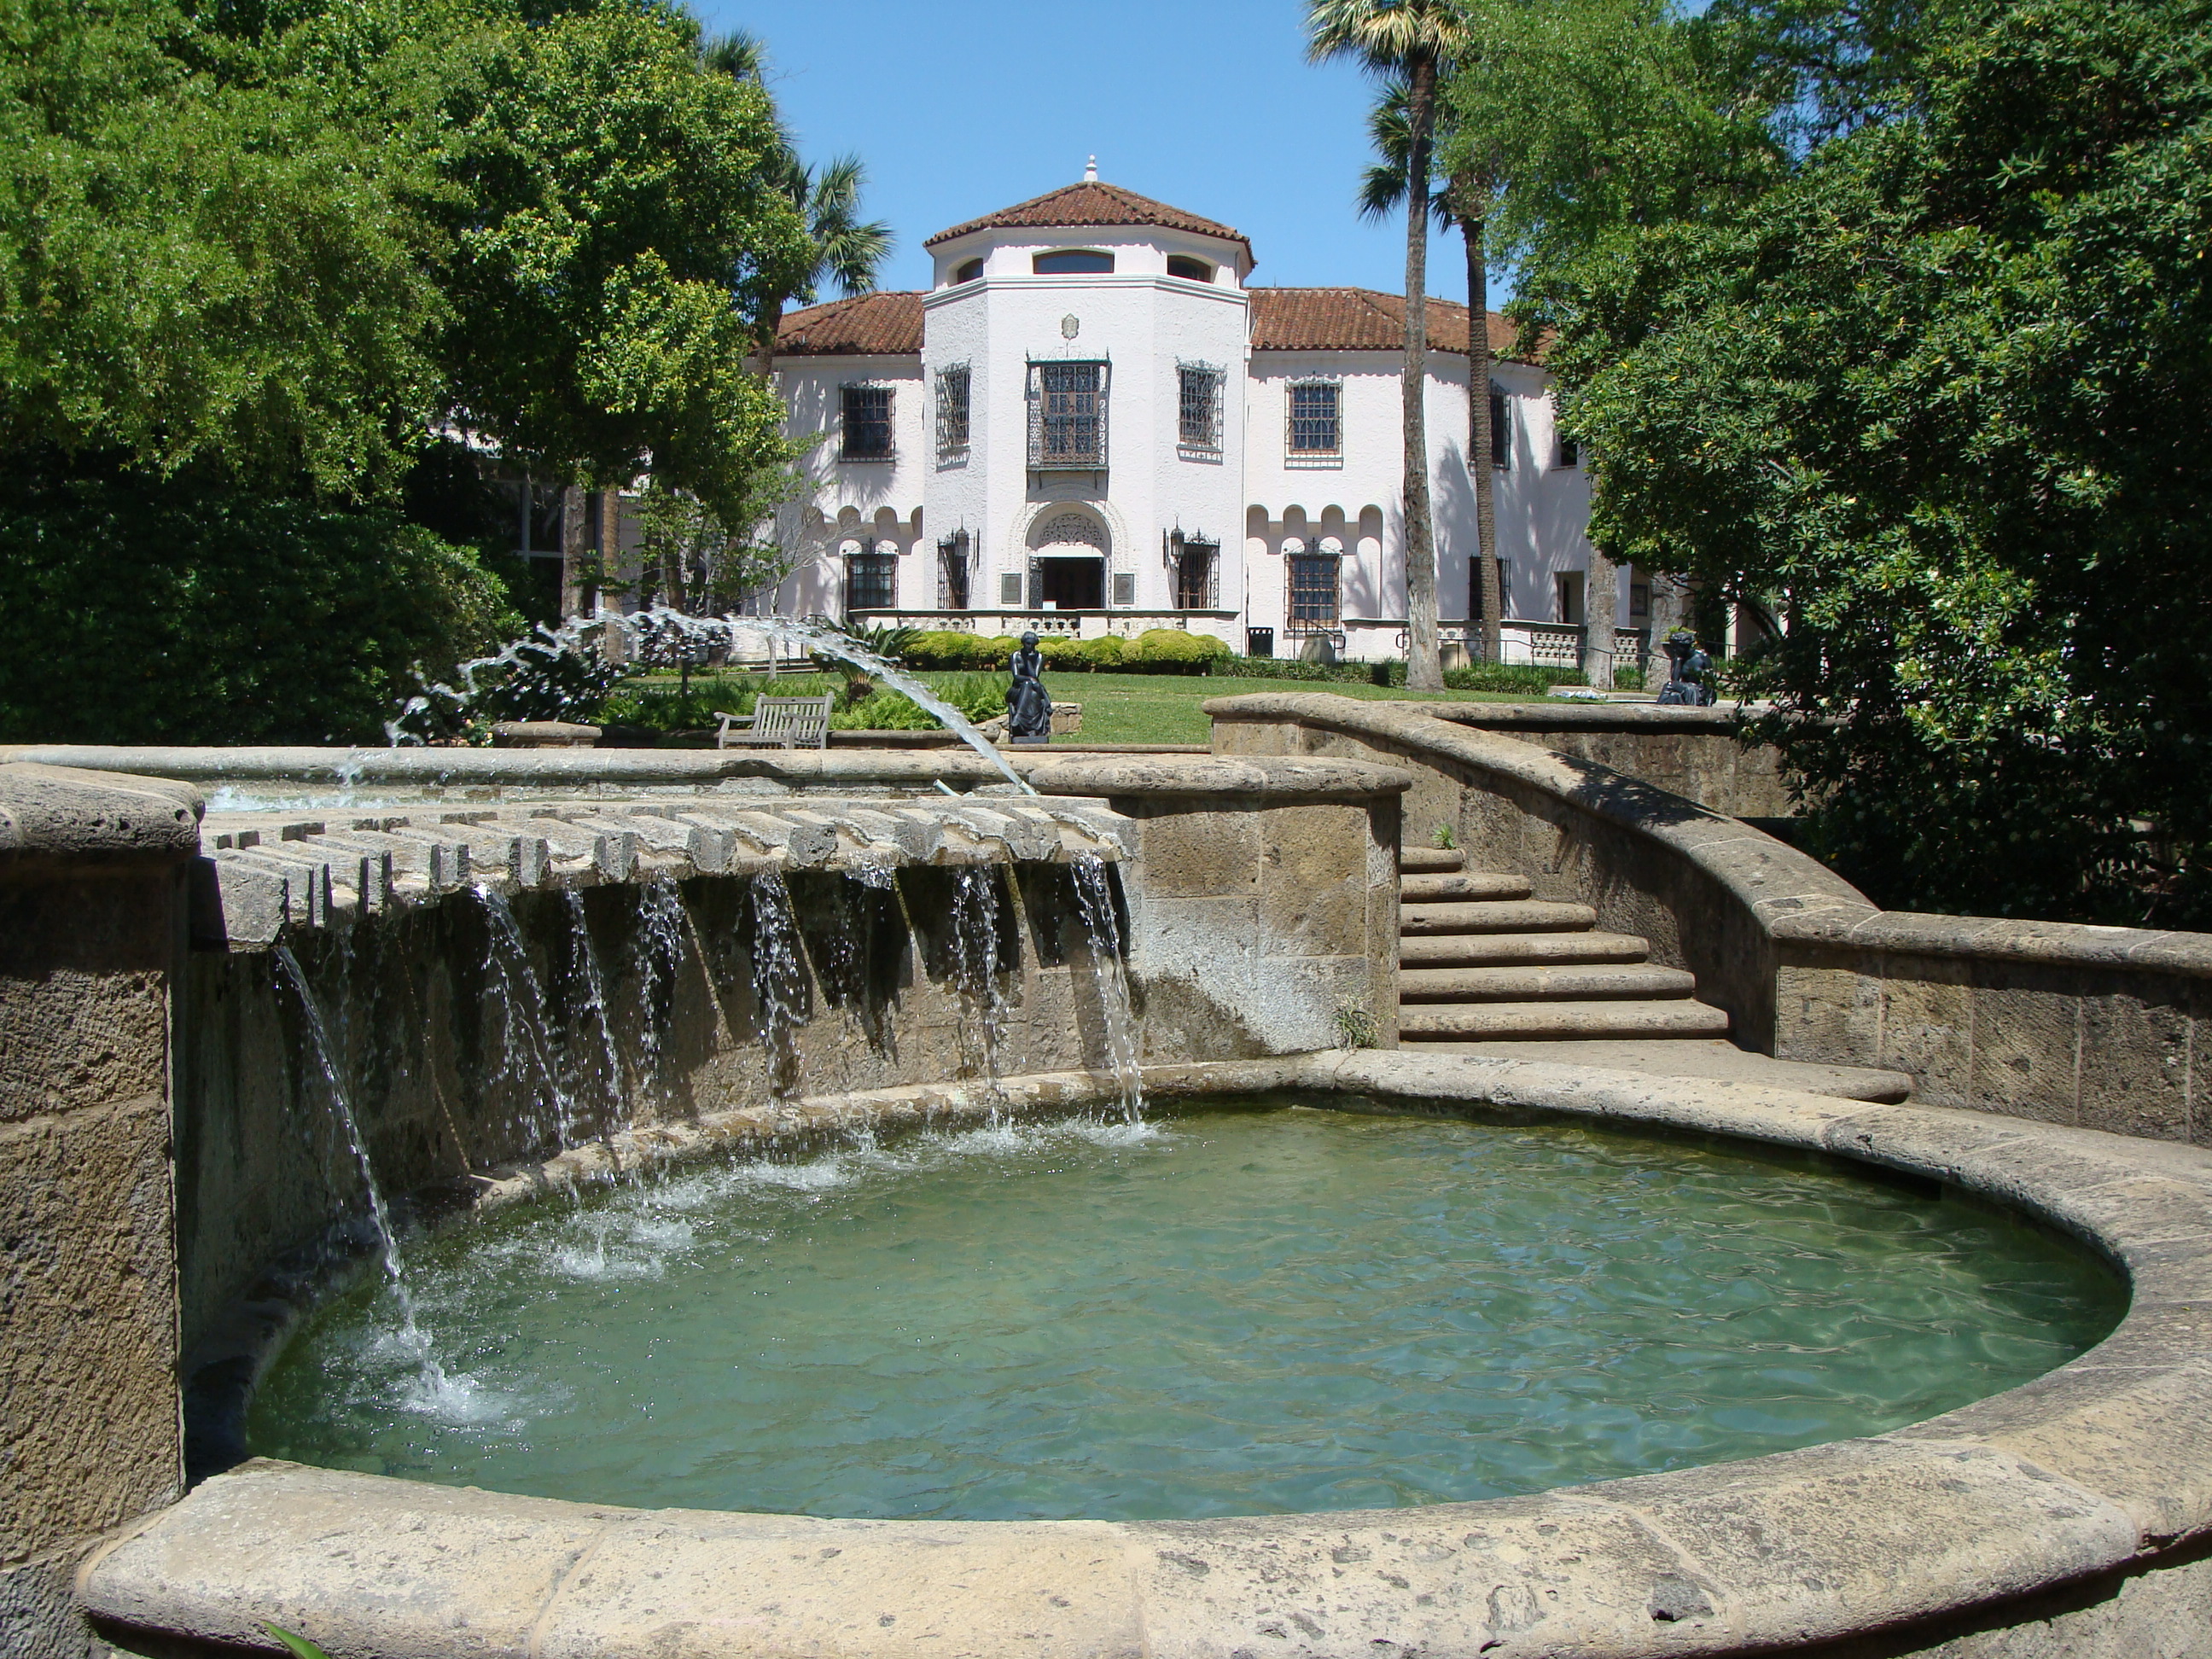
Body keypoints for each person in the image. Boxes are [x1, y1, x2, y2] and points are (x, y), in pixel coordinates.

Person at [1005, 630, 1052, 744]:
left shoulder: (1039, 656)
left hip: (1034, 688)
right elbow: (1016, 676)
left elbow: (1035, 675)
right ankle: (1018, 718)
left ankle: (1019, 719)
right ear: (1023, 643)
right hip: (1017, 689)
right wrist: (1029, 680)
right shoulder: (1016, 655)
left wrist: (1029, 660)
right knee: (1027, 684)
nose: (1030, 646)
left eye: (1032, 644)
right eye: (1027, 644)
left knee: (1033, 692)